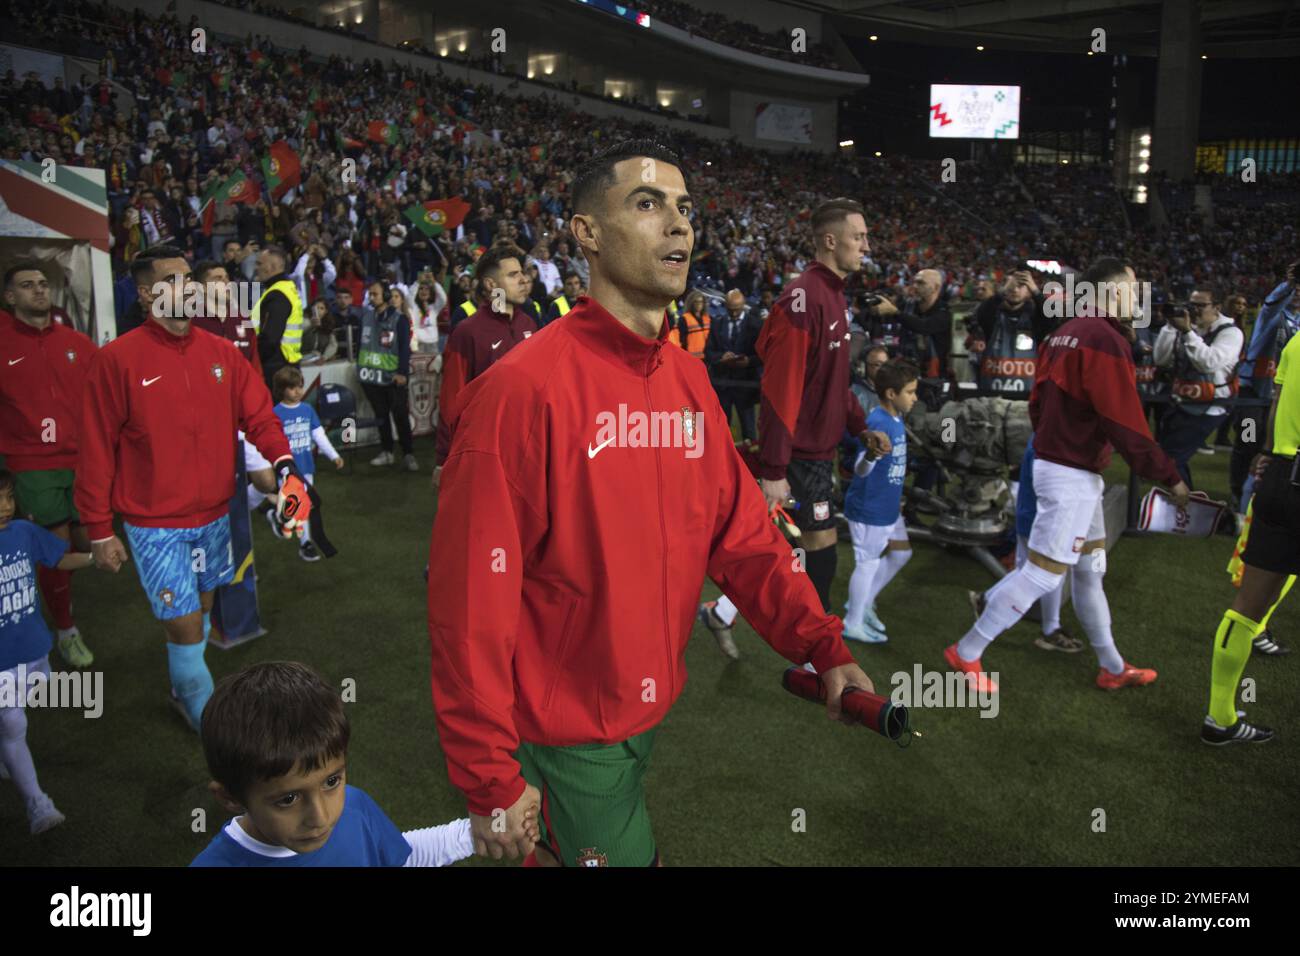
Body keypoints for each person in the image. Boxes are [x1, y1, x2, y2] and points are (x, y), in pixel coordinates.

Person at [427, 140, 874, 868]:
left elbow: (746, 540)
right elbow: (469, 602)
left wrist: (821, 645)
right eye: (647, 204)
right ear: (586, 234)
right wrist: (488, 777)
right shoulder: (520, 393)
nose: (679, 227)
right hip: (564, 732)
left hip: (647, 708)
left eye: (686, 209)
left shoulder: (688, 383)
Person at [74, 247, 310, 732]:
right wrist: (99, 529)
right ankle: (210, 725)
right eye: (173, 280)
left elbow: (261, 417)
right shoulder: (117, 360)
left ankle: (183, 687)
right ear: (145, 294)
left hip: (214, 515)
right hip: (153, 524)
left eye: (189, 278)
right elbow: (95, 447)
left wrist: (286, 467)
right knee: (183, 625)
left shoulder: (223, 353)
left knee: (200, 615)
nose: (188, 287)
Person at [944, 257, 1189, 693]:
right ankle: (966, 652)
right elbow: (1125, 419)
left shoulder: (1067, 331)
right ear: (1113, 293)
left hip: (1067, 468)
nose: (1138, 298)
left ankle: (1112, 665)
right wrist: (1169, 476)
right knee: (1042, 572)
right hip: (1070, 475)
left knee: (1090, 569)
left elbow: (1039, 403)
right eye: (1133, 289)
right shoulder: (1102, 338)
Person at [191, 661, 520, 865]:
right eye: (288, 799)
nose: (321, 817)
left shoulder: (355, 807)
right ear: (230, 797)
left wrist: (477, 832)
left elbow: (399, 856)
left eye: (332, 782)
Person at [754, 197, 890, 615]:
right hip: (800, 453)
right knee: (820, 549)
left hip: (817, 449)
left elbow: (833, 378)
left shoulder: (832, 295)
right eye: (858, 237)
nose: (866, 246)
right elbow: (781, 387)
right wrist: (774, 469)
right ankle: (816, 650)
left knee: (802, 549)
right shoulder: (804, 298)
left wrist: (859, 425)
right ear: (831, 241)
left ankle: (726, 613)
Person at [1201, 327, 1300, 744]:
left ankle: (1218, 718)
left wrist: (1268, 453)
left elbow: (1277, 402)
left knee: (1246, 609)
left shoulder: (1296, 341)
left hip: (1281, 475)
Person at [0, 262, 98, 668]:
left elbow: (104, 394)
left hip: (83, 459)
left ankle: (53, 607)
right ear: (10, 297)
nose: (39, 291)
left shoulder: (76, 342)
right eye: (27, 286)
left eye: (43, 284)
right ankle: (66, 630)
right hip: (31, 462)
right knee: (55, 547)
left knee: (86, 542)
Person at [0, 469, 99, 835]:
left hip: (33, 649)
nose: (6, 507)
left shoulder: (24, 533)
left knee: (26, 705)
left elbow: (58, 558)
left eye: (9, 497)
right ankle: (38, 805)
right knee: (14, 725)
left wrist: (95, 557)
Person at [968, 435, 1086, 654]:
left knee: (1031, 571)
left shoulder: (1043, 436)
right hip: (1039, 519)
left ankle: (986, 600)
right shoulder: (1052, 442)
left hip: (1031, 515)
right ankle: (1049, 629)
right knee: (1049, 573)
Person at [433, 243, 537, 483]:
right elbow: (452, 398)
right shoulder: (467, 332)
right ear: (491, 285)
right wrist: (444, 458)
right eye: (513, 275)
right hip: (487, 449)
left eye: (522, 273)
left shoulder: (529, 325)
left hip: (530, 446)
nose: (524, 280)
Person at [842, 359, 919, 642]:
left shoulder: (895, 419)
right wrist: (873, 456)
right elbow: (859, 470)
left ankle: (862, 604)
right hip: (869, 508)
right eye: (910, 392)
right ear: (891, 394)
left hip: (887, 506)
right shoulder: (877, 422)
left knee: (901, 553)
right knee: (867, 563)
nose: (915, 397)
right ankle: (853, 621)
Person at [1154, 287, 1244, 487]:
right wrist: (1170, 326)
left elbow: (1209, 362)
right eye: (1191, 305)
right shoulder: (1188, 328)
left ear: (1217, 308)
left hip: (1211, 405)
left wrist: (1186, 332)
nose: (1194, 310)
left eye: (1200, 305)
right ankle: (1185, 504)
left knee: (1171, 459)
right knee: (1168, 458)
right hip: (1181, 402)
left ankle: (1184, 506)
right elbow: (1161, 359)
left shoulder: (1230, 333)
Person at [1232, 263, 1299, 509]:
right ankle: (1237, 492)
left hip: (1280, 399)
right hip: (1252, 397)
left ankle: (1258, 496)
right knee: (1248, 443)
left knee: (1270, 450)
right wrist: (1290, 284)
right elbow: (1273, 301)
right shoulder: (1270, 316)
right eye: (1297, 288)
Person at [271, 366, 343, 562]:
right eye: (292, 388)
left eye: (300, 387)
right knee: (298, 506)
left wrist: (333, 455)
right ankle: (290, 529)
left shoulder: (307, 410)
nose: (298, 391)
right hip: (287, 470)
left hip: (307, 467)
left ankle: (304, 542)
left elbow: (318, 435)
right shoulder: (275, 413)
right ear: (281, 389)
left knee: (305, 506)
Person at [357, 282, 417, 472]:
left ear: (385, 296)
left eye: (375, 294)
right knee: (381, 415)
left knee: (400, 415)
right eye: (370, 294)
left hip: (393, 378)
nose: (371, 297)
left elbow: (404, 349)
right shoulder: (366, 316)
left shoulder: (399, 319)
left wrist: (402, 373)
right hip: (370, 378)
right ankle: (387, 452)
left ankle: (408, 454)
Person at [967, 268, 1055, 396]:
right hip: (991, 399)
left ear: (1028, 291)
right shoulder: (992, 318)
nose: (1015, 289)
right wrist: (1003, 290)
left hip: (1025, 401)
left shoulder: (1035, 321)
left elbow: (1053, 317)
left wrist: (1036, 291)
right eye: (1011, 285)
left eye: (1021, 286)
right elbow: (982, 312)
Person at [703, 289, 762, 443]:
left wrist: (749, 361)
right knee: (720, 432)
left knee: (749, 432)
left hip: (746, 386)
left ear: (743, 305)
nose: (734, 313)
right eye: (730, 310)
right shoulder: (717, 324)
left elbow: (764, 356)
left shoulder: (756, 325)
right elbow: (708, 352)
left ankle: (750, 462)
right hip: (722, 386)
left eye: (737, 310)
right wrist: (721, 358)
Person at [251, 244, 304, 390]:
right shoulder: (286, 289)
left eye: (260, 263)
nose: (256, 267)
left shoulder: (278, 295)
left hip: (276, 369)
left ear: (273, 267)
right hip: (286, 364)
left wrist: (253, 359)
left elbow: (270, 338)